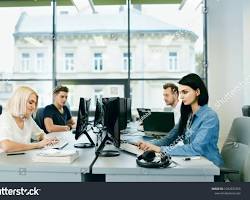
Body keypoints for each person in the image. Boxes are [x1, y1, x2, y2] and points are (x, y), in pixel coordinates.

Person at [138, 73, 223, 166]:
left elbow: (196, 148)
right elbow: (169, 139)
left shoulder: (209, 117)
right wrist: (148, 144)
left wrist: (160, 149)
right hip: (195, 163)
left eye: (185, 92)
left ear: (197, 92)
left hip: (211, 167)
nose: (181, 97)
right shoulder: (188, 115)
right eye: (180, 92)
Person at [0, 86, 58, 153]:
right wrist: (37, 145)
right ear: (20, 101)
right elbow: (6, 146)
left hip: (23, 158)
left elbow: (40, 134)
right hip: (6, 161)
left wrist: (47, 140)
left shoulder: (27, 118)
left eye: (35, 103)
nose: (33, 107)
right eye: (30, 102)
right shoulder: (5, 118)